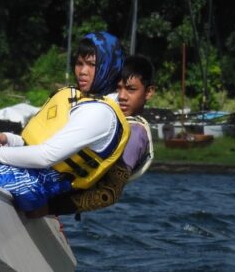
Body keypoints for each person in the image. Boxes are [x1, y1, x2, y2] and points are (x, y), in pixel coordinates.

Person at [0, 31, 128, 213]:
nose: (82, 71)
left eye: (92, 64)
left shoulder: (100, 113)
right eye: (79, 63)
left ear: (110, 67)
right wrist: (10, 140)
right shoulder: (87, 103)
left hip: (27, 188)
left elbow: (45, 156)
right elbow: (45, 145)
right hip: (26, 184)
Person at [48, 55, 156, 216]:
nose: (122, 96)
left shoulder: (135, 134)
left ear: (149, 92)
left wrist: (47, 209)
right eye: (118, 88)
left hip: (50, 197)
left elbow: (108, 194)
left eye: (131, 89)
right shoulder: (107, 114)